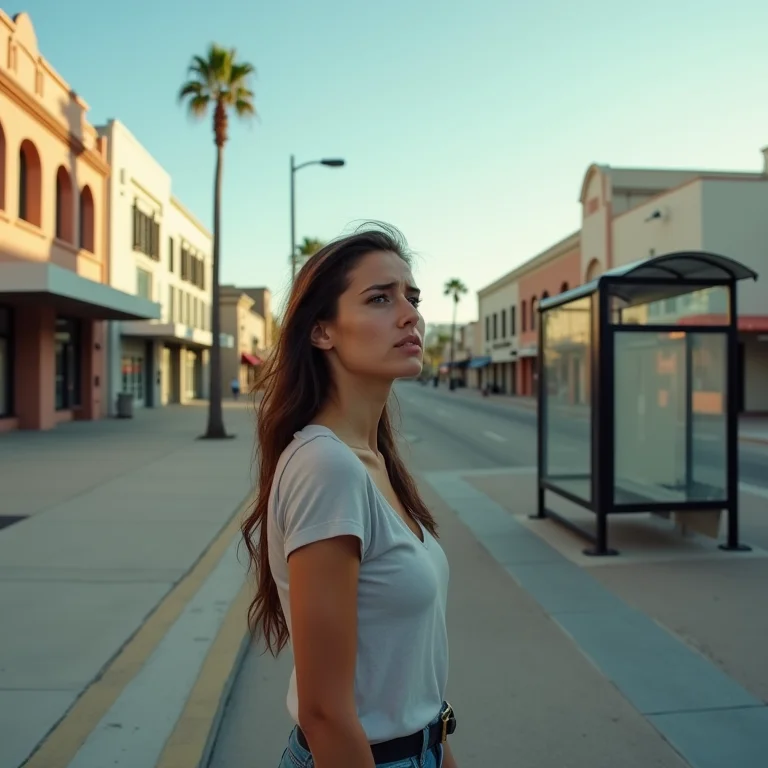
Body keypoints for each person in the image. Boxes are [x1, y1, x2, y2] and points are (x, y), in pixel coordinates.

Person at [241, 223, 458, 768]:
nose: (410, 315)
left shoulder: (373, 460)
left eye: (412, 298)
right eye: (380, 298)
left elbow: (406, 677)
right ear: (322, 331)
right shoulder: (327, 466)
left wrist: (438, 749)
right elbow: (325, 713)